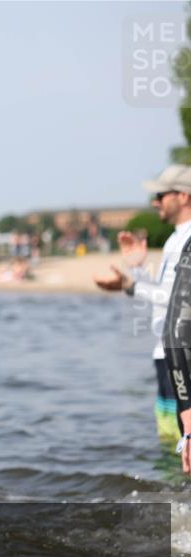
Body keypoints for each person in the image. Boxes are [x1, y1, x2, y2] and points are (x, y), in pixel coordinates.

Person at [94, 165, 191, 445]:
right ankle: (167, 491)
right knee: (168, 442)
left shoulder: (187, 238)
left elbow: (180, 301)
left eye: (161, 195)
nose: (154, 202)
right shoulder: (176, 237)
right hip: (165, 353)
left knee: (181, 443)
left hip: (182, 357)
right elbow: (164, 296)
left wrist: (130, 285)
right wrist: (137, 270)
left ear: (183, 196)